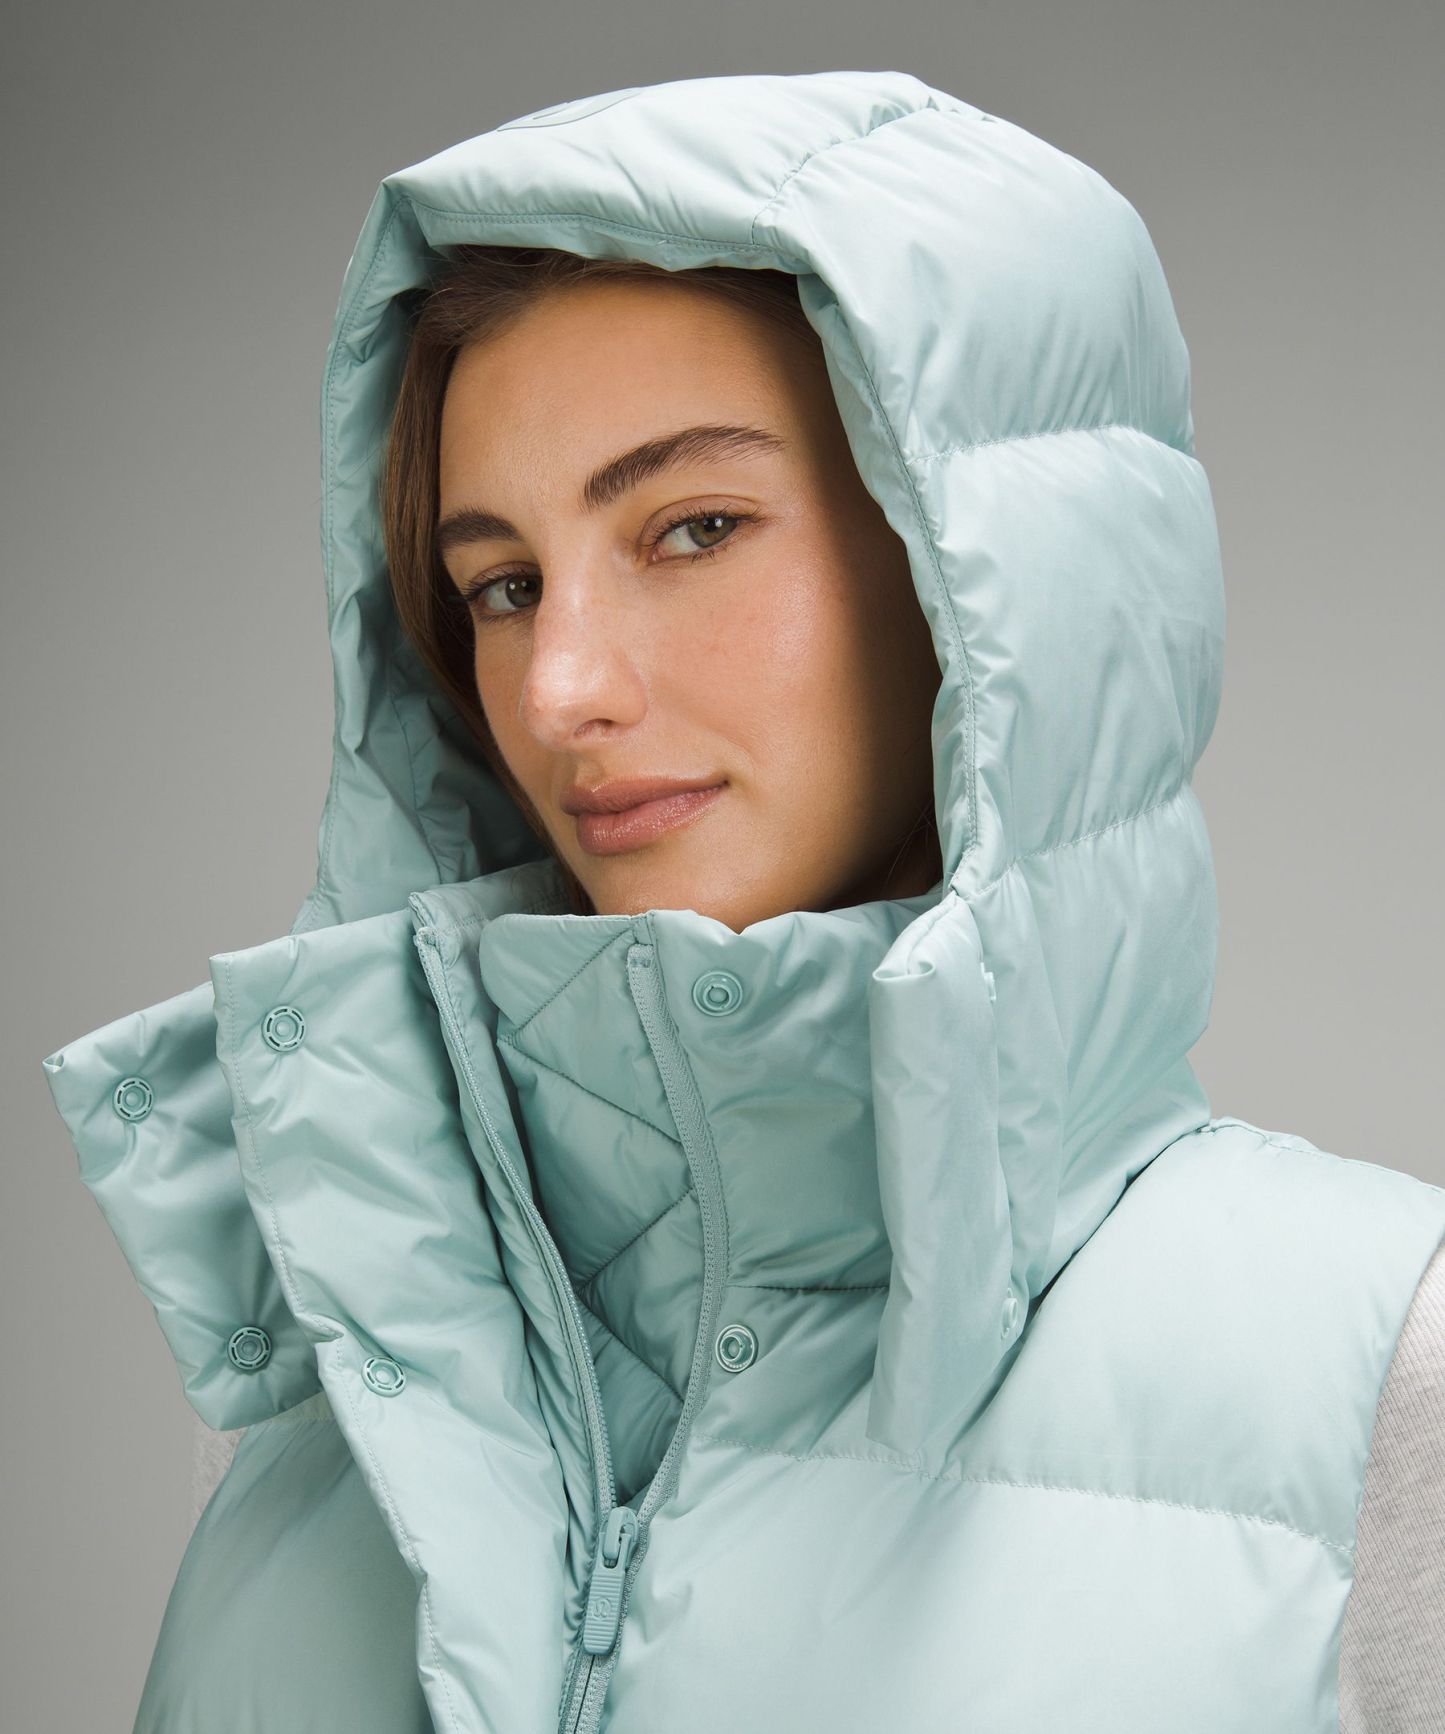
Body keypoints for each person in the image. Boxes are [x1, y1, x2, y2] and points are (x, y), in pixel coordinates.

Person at [40, 69, 1445, 1734]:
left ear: (981, 580)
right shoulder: (360, 1388)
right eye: (502, 583)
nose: (557, 687)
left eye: (692, 528)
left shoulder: (1375, 1374)